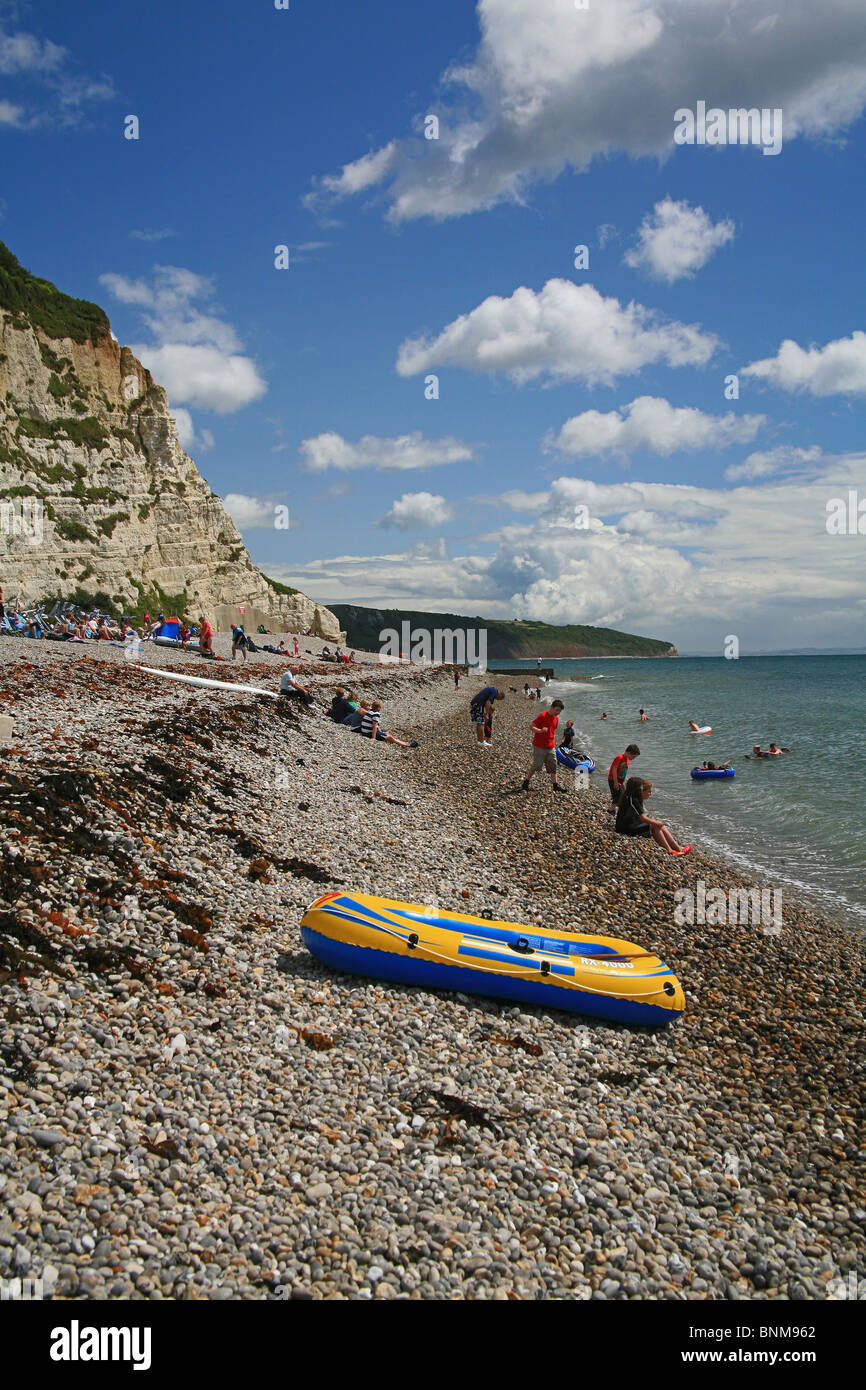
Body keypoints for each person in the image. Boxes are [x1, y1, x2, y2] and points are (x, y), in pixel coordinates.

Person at [615, 778, 692, 855]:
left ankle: (679, 848)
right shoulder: (632, 800)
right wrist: (656, 823)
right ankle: (670, 850)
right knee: (655, 826)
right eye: (642, 788)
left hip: (627, 824)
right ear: (637, 788)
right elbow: (642, 818)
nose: (642, 789)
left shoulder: (629, 797)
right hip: (625, 828)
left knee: (660, 826)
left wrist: (657, 823)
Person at [521, 699, 565, 792]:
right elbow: (531, 727)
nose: (558, 713)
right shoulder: (542, 716)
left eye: (559, 711)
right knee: (536, 765)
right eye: (557, 710)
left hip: (551, 746)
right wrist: (540, 731)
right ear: (551, 707)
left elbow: (553, 731)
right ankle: (526, 782)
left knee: (553, 765)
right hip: (539, 746)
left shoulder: (556, 719)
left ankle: (555, 786)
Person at [608, 743, 639, 813]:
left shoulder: (628, 759)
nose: (633, 759)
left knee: (623, 795)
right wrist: (615, 782)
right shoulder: (619, 757)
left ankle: (616, 809)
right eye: (633, 757)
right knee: (617, 796)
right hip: (613, 779)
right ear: (628, 753)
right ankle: (611, 810)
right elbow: (614, 770)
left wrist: (623, 781)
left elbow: (624, 770)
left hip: (620, 780)